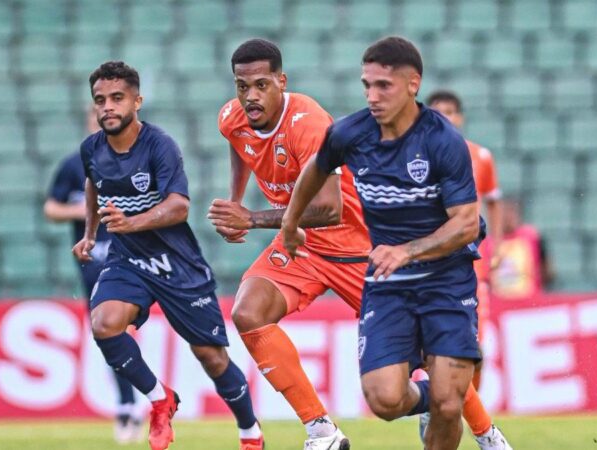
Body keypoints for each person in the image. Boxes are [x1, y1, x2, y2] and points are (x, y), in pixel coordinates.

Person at [280, 37, 512, 450]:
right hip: (390, 285)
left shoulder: (443, 141)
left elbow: (463, 225)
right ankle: (431, 401)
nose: (372, 96)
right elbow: (316, 169)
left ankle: (444, 401)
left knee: (448, 401)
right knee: (384, 400)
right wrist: (289, 223)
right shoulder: (350, 133)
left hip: (447, 282)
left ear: (412, 84)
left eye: (383, 85)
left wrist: (407, 250)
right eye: (366, 85)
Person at [72, 61, 262, 450]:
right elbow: (93, 184)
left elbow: (178, 207)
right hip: (129, 259)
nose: (107, 107)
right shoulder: (91, 148)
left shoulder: (159, 145)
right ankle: (160, 398)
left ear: (137, 101)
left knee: (211, 357)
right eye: (100, 100)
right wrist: (91, 234)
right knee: (105, 323)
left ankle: (250, 432)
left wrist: (130, 222)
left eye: (117, 98)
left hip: (177, 262)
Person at [210, 38, 369, 449]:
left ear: (282, 81)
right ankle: (321, 431)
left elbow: (329, 210)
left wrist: (252, 218)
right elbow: (239, 144)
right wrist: (235, 201)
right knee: (248, 311)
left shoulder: (310, 124)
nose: (250, 96)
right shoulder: (231, 117)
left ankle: (486, 436)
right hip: (302, 245)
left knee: (419, 355)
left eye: (261, 85)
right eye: (242, 86)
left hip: (356, 246)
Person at [44, 108, 143, 444]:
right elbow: (51, 207)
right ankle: (128, 402)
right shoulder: (74, 165)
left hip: (127, 254)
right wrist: (85, 210)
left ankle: (133, 402)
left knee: (116, 326)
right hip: (91, 258)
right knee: (108, 332)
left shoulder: (135, 161)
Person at [426, 90, 501, 391]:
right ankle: (436, 407)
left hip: (469, 266)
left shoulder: (480, 157)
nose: (445, 117)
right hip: (428, 263)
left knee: (473, 351)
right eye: (437, 111)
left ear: (460, 117)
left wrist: (498, 245)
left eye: (450, 111)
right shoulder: (413, 157)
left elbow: (493, 201)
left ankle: (466, 410)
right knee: (430, 350)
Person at [489, 197, 554, 299]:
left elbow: (547, 269)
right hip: (499, 303)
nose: (507, 217)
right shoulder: (489, 242)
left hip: (529, 300)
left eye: (511, 212)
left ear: (518, 214)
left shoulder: (532, 236)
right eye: (504, 212)